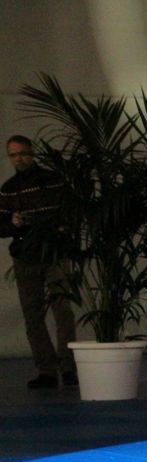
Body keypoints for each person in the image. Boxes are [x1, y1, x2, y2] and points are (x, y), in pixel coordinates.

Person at [0, 135, 78, 390]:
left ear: (32, 152)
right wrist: (13, 223)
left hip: (54, 252)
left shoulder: (53, 180)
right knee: (32, 313)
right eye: (13, 155)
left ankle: (68, 367)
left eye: (22, 153)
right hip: (25, 255)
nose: (19, 159)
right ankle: (47, 370)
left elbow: (71, 211)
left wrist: (60, 228)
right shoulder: (8, 188)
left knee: (62, 310)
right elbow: (1, 226)